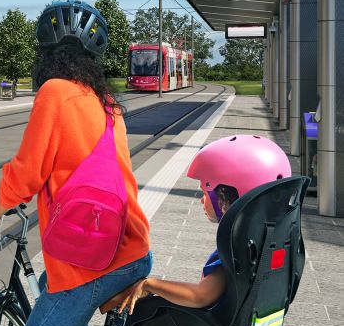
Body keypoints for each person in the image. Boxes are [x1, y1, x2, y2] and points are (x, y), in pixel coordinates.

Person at [0, 0, 151, 326]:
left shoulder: (54, 92)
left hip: (91, 261)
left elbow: (27, 174)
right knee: (64, 307)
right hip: (132, 250)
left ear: (47, 53)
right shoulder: (104, 100)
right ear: (91, 57)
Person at [117, 134, 293, 315]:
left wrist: (150, 284)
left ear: (226, 197)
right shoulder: (272, 240)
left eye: (206, 192)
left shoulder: (237, 249)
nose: (202, 200)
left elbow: (201, 296)